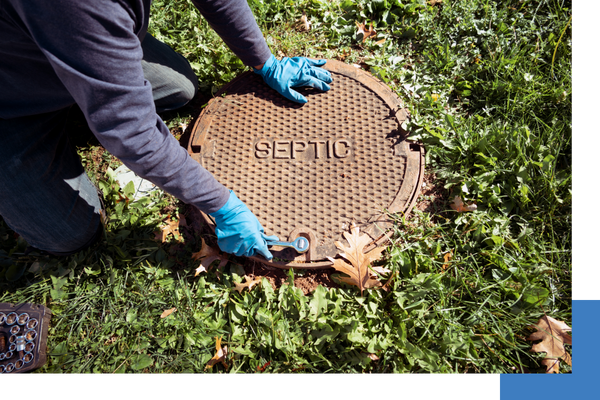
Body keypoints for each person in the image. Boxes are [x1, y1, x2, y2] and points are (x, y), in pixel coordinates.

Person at [0, 0, 332, 260]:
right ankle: (89, 82)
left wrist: (264, 61)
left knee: (180, 88)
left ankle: (94, 73)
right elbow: (132, 131)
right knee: (68, 232)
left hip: (67, 35)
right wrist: (221, 204)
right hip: (12, 101)